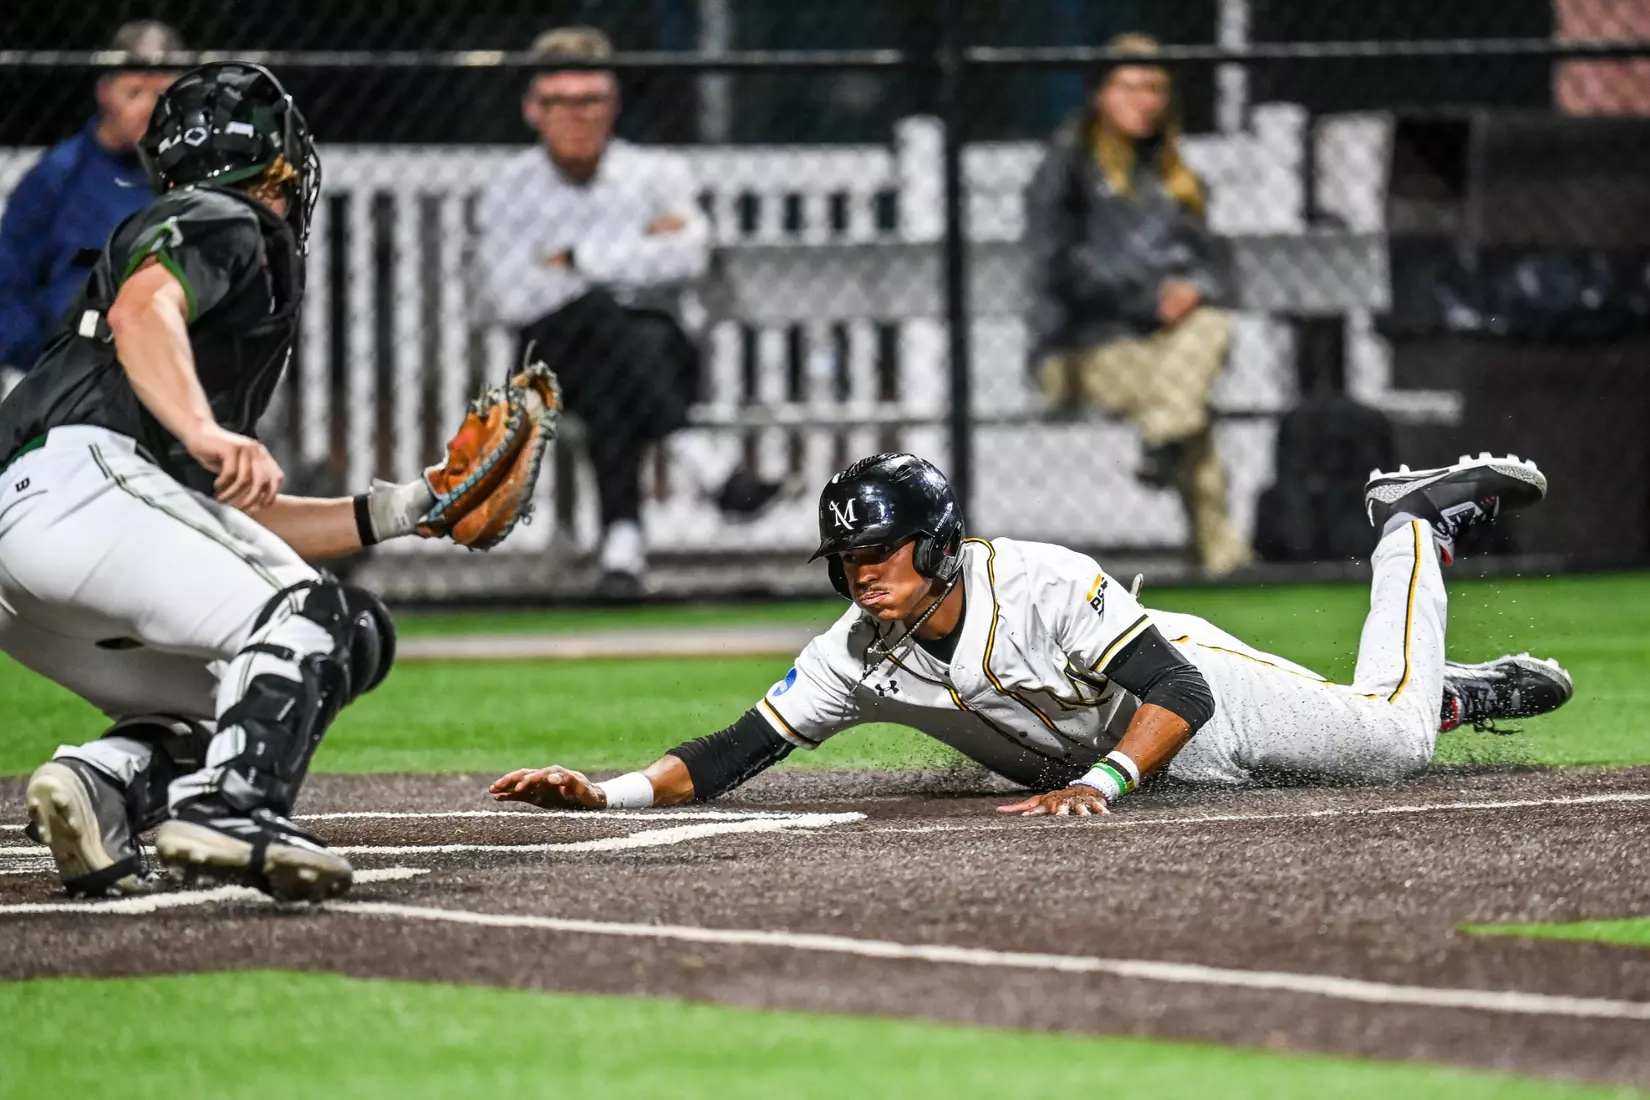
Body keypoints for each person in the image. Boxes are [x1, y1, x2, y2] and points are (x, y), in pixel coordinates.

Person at [491, 452, 1573, 815]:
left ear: (941, 546)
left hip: (1186, 692)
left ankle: (1413, 522)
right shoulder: (857, 647)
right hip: (1144, 744)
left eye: (882, 556)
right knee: (1345, 741)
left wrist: (1101, 785)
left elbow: (1181, 694)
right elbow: (742, 746)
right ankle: (1447, 683)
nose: (862, 579)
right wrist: (612, 789)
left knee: (1391, 748)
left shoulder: (1044, 583)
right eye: (847, 564)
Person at [0, 63, 462, 901]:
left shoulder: (182, 282)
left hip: (39, 546)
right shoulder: (229, 216)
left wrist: (405, 510)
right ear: (283, 160)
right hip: (80, 491)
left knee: (271, 675)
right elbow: (147, 308)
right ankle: (230, 805)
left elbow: (217, 519)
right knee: (325, 618)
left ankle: (101, 785)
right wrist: (206, 429)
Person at [475, 25, 783, 597]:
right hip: (553, 359)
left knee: (620, 356)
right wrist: (638, 253)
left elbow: (690, 256)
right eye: (560, 103)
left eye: (590, 101)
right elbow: (515, 297)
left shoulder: (656, 173)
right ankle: (704, 467)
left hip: (652, 353)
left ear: (613, 105)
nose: (577, 115)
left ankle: (624, 552)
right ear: (532, 110)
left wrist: (578, 258)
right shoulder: (509, 188)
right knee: (606, 328)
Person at [1024, 34, 1252, 578]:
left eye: (1155, 87)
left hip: (1162, 352)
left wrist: (1192, 289)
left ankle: (1166, 445)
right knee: (1187, 409)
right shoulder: (1069, 163)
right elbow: (1058, 267)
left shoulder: (1174, 172)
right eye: (1130, 86)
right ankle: (1221, 553)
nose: (1145, 100)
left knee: (1209, 326)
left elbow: (1220, 266)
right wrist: (1150, 299)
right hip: (1080, 352)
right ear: (1101, 94)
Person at [0, 21, 185, 382]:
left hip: (178, 369)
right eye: (135, 93)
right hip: (70, 374)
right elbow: (8, 283)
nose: (150, 109)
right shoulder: (58, 176)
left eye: (162, 95)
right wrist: (48, 360)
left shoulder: (200, 178)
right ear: (106, 93)